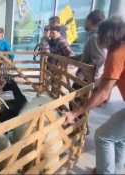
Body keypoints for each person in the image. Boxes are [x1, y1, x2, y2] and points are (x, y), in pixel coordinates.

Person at [65, 16, 125, 174]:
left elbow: (103, 93)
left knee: (103, 137)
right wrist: (98, 85)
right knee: (120, 138)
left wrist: (75, 112)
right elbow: (108, 84)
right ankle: (113, 169)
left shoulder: (117, 53)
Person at [70, 10, 107, 110]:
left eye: (86, 21)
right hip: (89, 77)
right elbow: (89, 55)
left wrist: (83, 73)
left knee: (75, 102)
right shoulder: (95, 36)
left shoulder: (95, 37)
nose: (85, 24)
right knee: (77, 102)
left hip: (88, 78)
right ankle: (80, 124)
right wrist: (71, 58)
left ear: (90, 21)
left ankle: (77, 124)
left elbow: (99, 58)